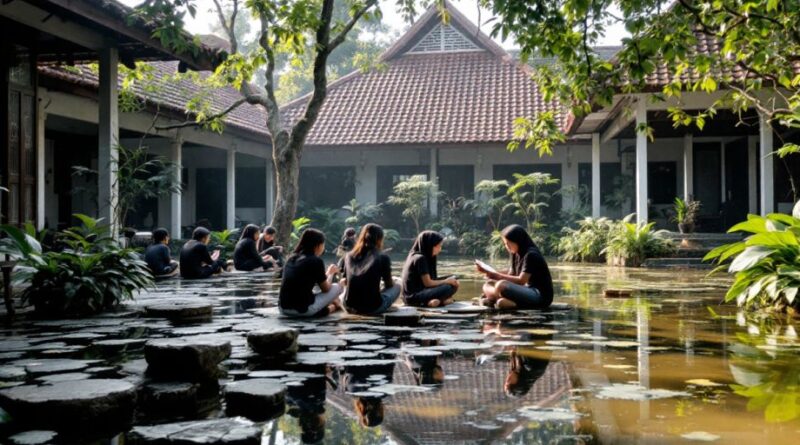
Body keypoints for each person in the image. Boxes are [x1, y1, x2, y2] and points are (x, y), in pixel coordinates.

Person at [477, 224, 554, 310]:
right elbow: (511, 273)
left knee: (500, 285)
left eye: (508, 243)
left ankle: (495, 299)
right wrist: (489, 272)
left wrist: (497, 276)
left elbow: (521, 280)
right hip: (525, 290)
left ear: (518, 241)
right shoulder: (515, 253)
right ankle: (502, 301)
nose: (507, 247)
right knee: (488, 284)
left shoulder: (531, 255)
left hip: (539, 295)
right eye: (505, 244)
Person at [279, 228, 343, 317]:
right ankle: (333, 307)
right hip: (304, 310)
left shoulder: (291, 258)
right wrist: (331, 273)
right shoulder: (315, 260)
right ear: (317, 245)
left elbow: (315, 281)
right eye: (323, 244)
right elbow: (326, 289)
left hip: (283, 309)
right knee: (337, 286)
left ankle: (332, 304)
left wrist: (328, 272)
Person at [342, 224, 400, 315]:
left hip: (349, 306)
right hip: (372, 308)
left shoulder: (349, 256)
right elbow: (388, 284)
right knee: (397, 286)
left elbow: (346, 281)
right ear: (379, 239)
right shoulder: (382, 257)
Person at [401, 231, 458, 308]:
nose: (439, 249)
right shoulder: (419, 258)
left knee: (454, 280)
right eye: (437, 246)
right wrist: (446, 281)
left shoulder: (423, 256)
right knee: (448, 287)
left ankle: (434, 301)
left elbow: (432, 280)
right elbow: (428, 283)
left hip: (422, 292)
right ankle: (442, 301)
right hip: (414, 297)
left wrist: (449, 280)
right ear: (429, 245)